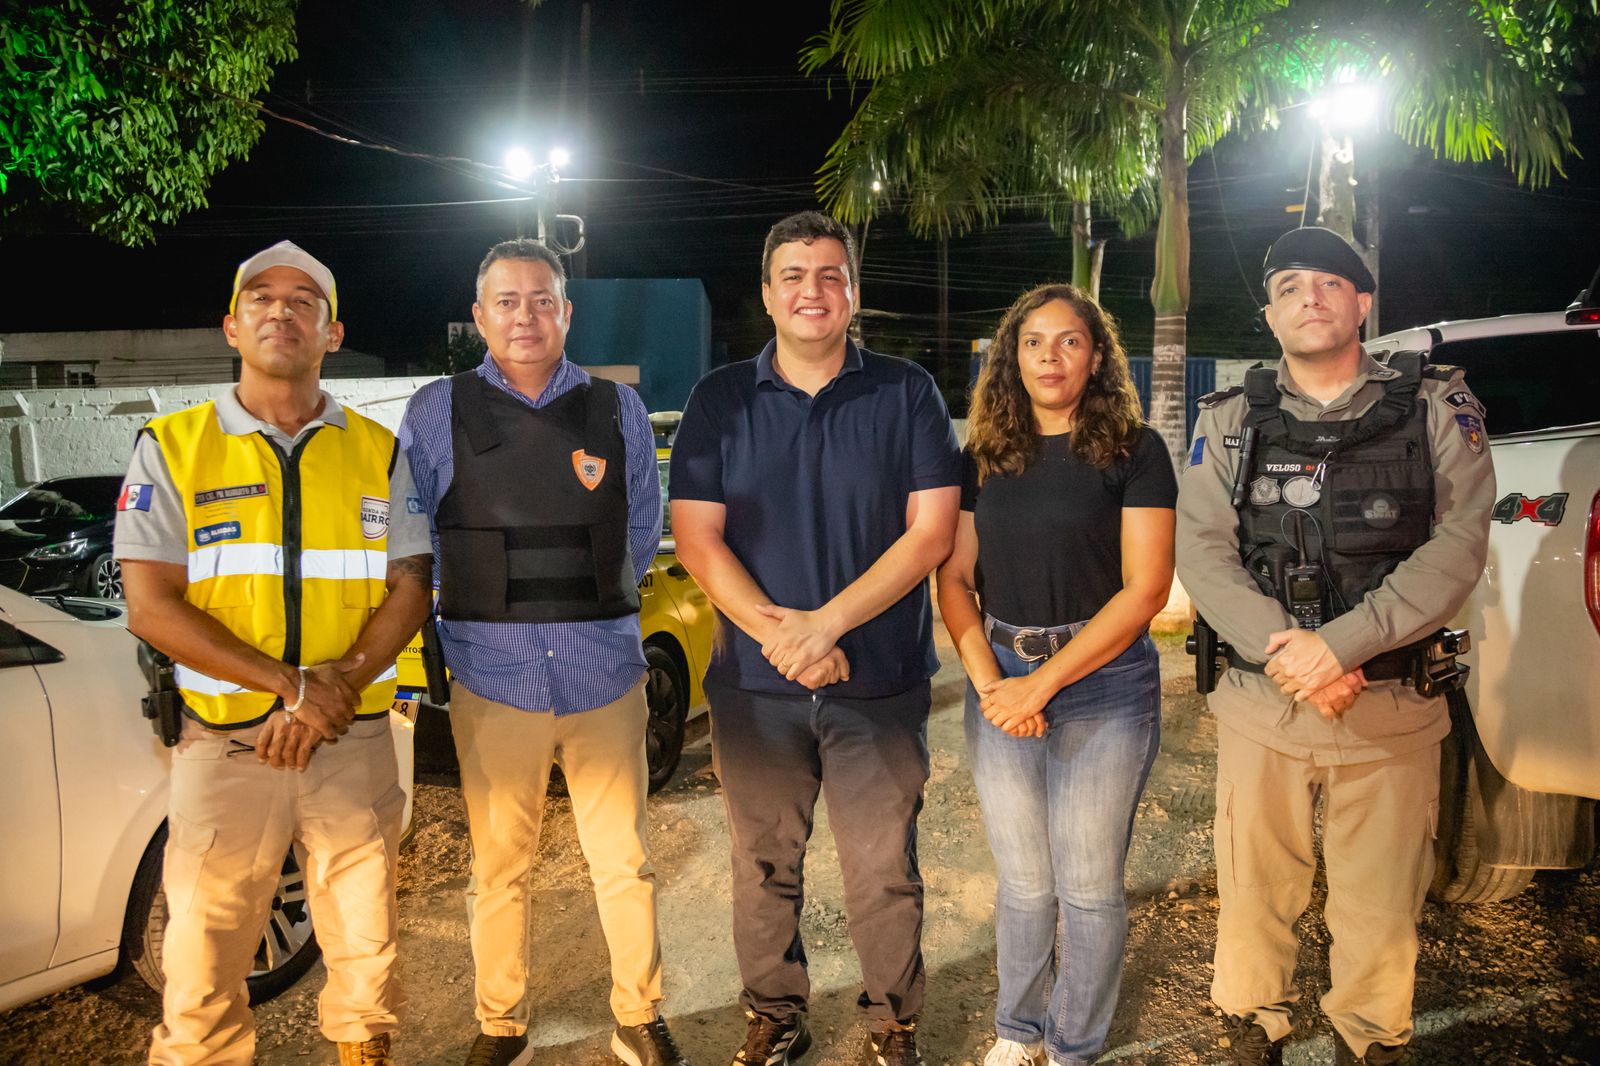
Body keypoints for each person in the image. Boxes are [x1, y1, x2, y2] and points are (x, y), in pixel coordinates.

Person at [1175, 227, 1495, 1065]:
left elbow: (1460, 544)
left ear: (1362, 303)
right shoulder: (1230, 418)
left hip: (1389, 706)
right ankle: (1252, 1024)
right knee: (1254, 887)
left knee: (1382, 900)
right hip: (1264, 706)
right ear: (1269, 316)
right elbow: (1202, 550)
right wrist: (1295, 656)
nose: (1308, 298)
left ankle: (1372, 1036)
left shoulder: (1435, 406)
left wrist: (1342, 646)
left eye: (1328, 283)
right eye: (1288, 287)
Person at [115, 241, 433, 1066]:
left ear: (333, 333)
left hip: (351, 739)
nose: (281, 310)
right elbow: (150, 606)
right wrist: (291, 688)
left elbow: (410, 586)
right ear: (231, 326)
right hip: (226, 746)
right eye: (260, 297)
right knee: (203, 958)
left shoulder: (379, 450)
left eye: (303, 300)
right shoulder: (173, 445)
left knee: (366, 943)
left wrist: (331, 693)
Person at [669, 211, 961, 1066]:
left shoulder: (906, 392)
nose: (813, 290)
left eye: (831, 275)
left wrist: (826, 626)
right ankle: (774, 1014)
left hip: (878, 682)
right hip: (756, 689)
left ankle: (891, 1023)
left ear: (853, 293)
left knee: (883, 867)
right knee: (763, 864)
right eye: (794, 275)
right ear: (767, 294)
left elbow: (931, 534)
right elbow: (698, 540)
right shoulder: (719, 399)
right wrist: (784, 640)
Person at [399, 238, 688, 1066]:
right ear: (479, 315)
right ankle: (502, 1025)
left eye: (541, 300)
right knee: (499, 870)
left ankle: (638, 1017)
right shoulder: (435, 410)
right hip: (494, 682)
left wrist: (585, 609)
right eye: (507, 301)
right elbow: (414, 536)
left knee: (625, 863)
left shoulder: (617, 408)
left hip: (604, 677)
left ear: (566, 312)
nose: (524, 315)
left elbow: (640, 528)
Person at [936, 284, 1176, 1066]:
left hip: (1104, 683)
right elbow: (954, 579)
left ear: (1096, 356)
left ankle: (1074, 1046)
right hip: (999, 673)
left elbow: (1145, 590)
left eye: (1070, 341)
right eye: (1033, 342)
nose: (1051, 356)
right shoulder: (982, 457)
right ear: (1012, 357)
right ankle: (1018, 1030)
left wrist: (1038, 687)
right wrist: (991, 685)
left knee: (1088, 886)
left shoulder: (1135, 452)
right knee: (1024, 883)